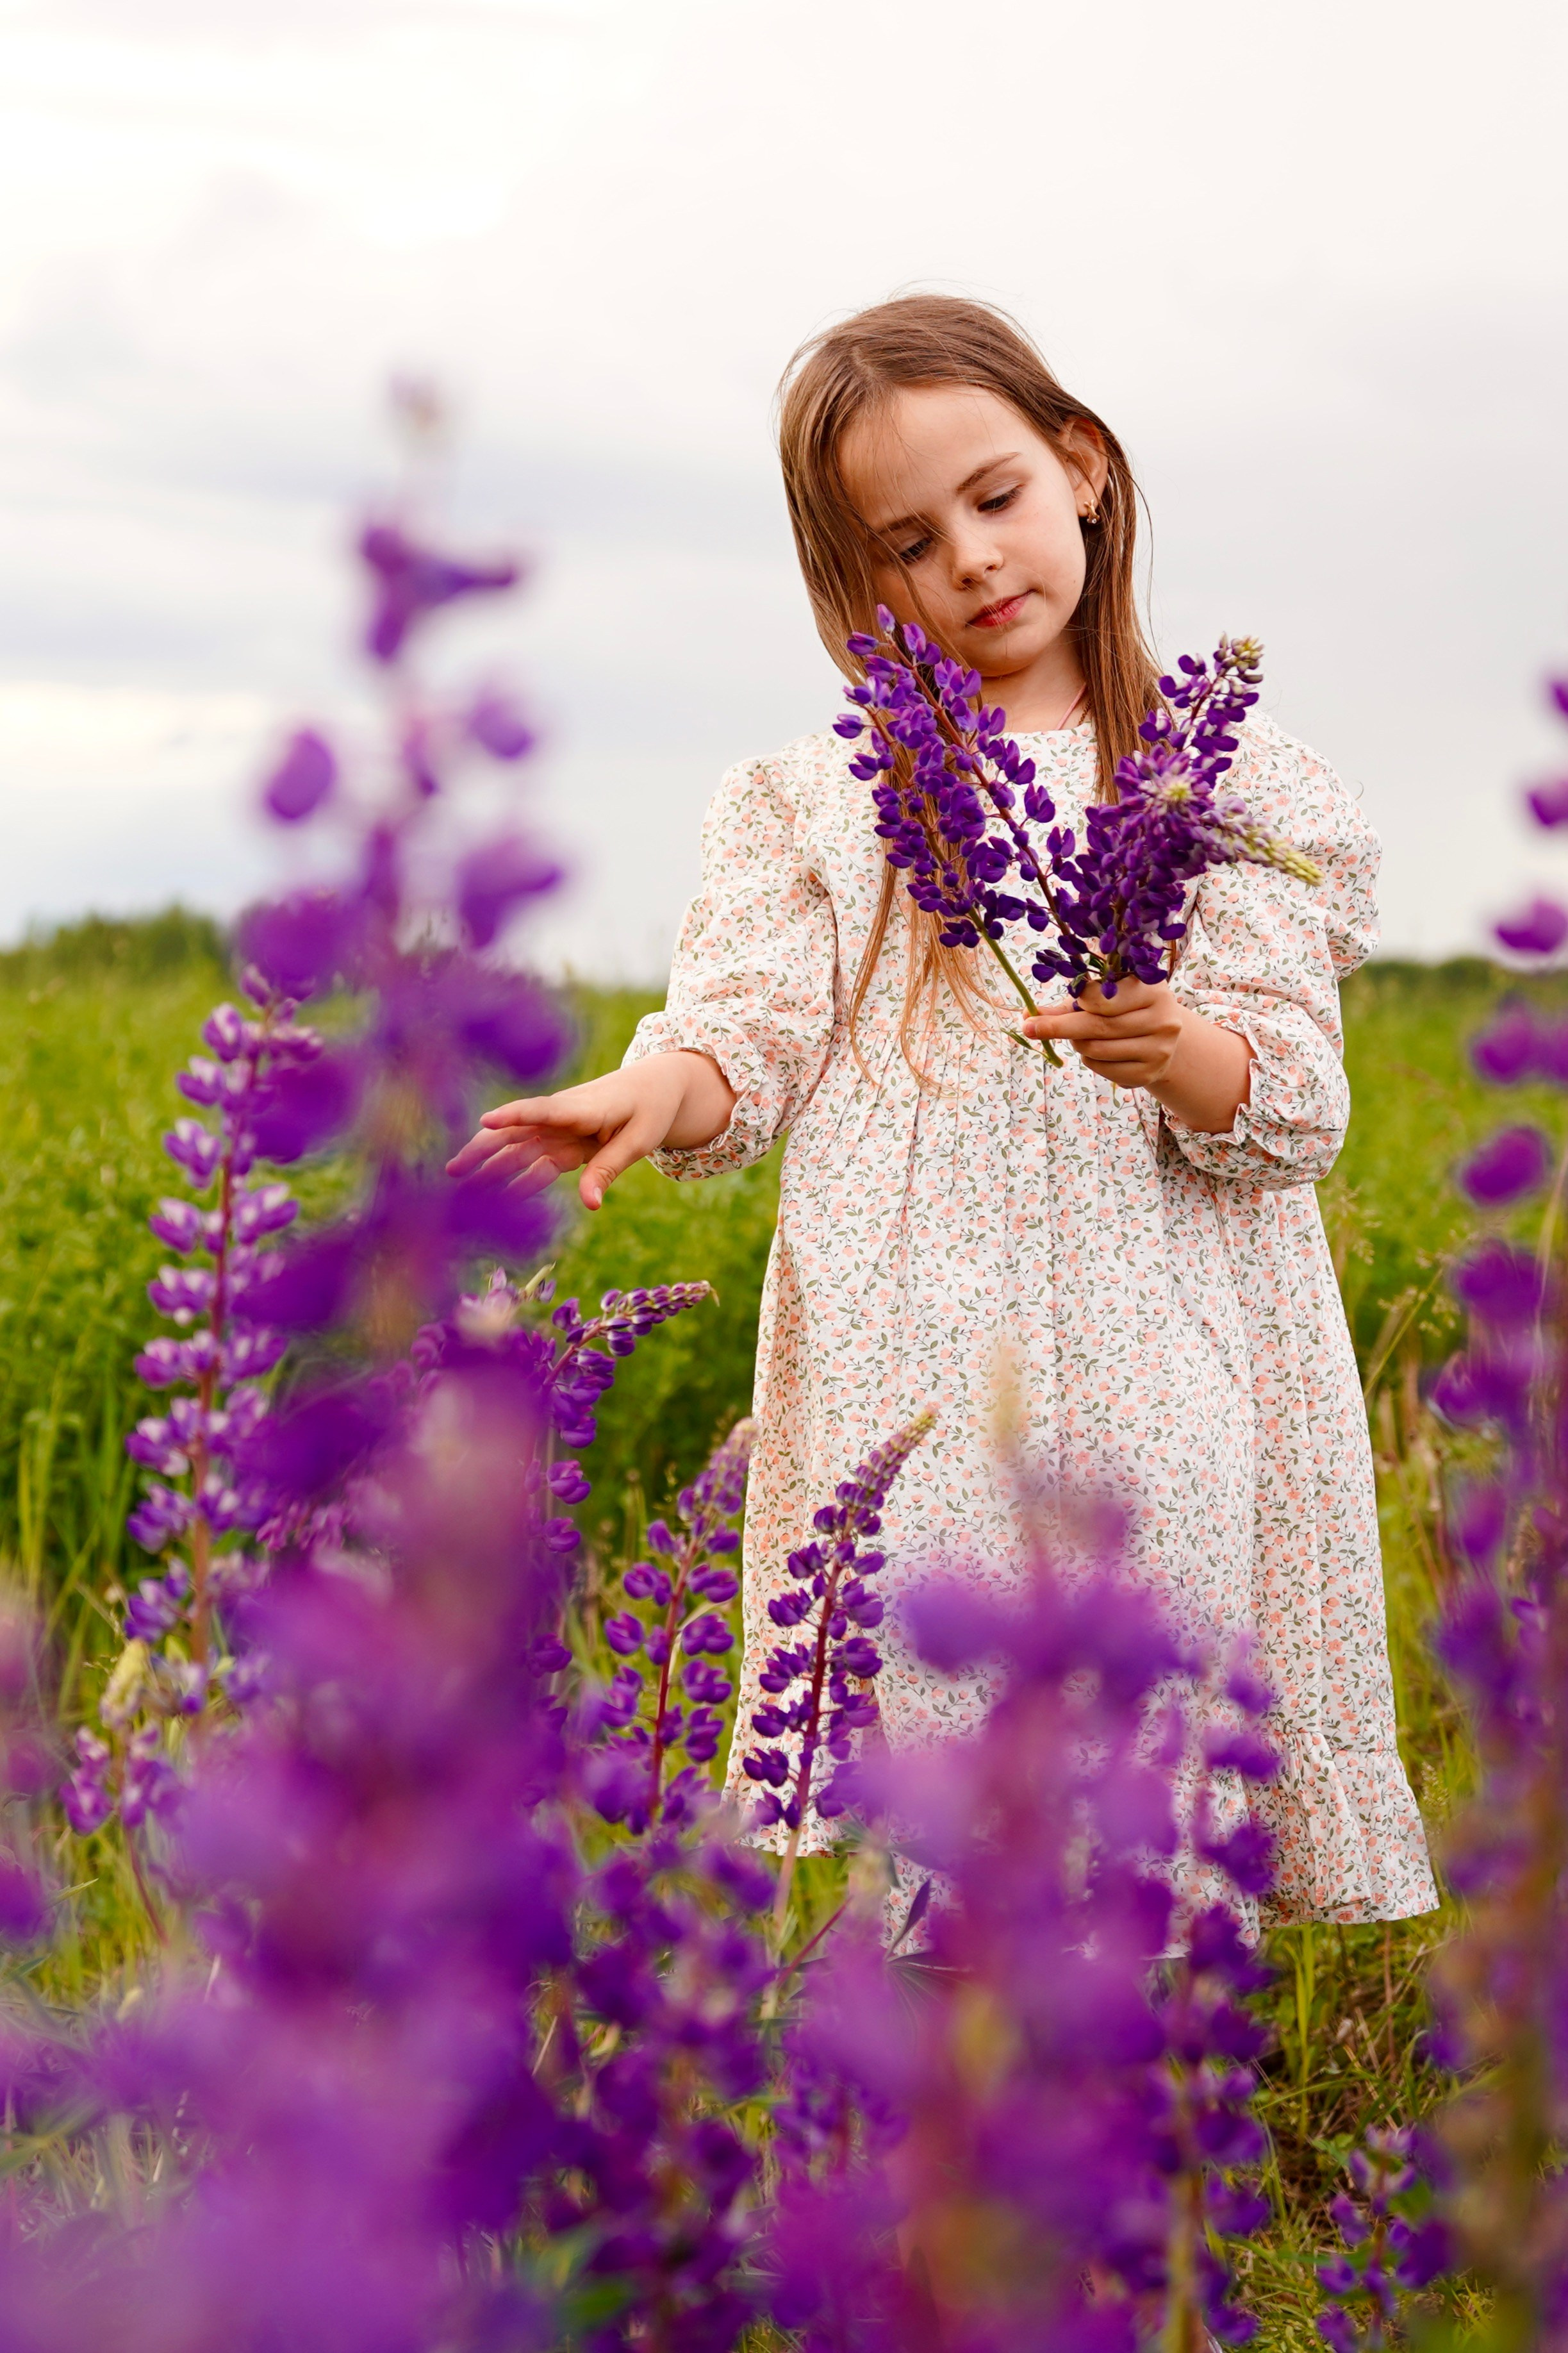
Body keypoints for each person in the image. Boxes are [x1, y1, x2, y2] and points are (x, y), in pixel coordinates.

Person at [449, 294, 1435, 1925]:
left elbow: (1294, 1104)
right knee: (941, 1777)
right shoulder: (821, 805)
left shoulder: (1227, 788)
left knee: (1152, 1765)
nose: (971, 560)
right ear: (858, 586)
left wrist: (1170, 1042)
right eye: (906, 542)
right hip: (917, 1358)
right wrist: (652, 1088)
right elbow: (744, 1038)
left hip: (1171, 1361)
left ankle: (1154, 2085)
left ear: (1085, 470)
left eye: (995, 498)